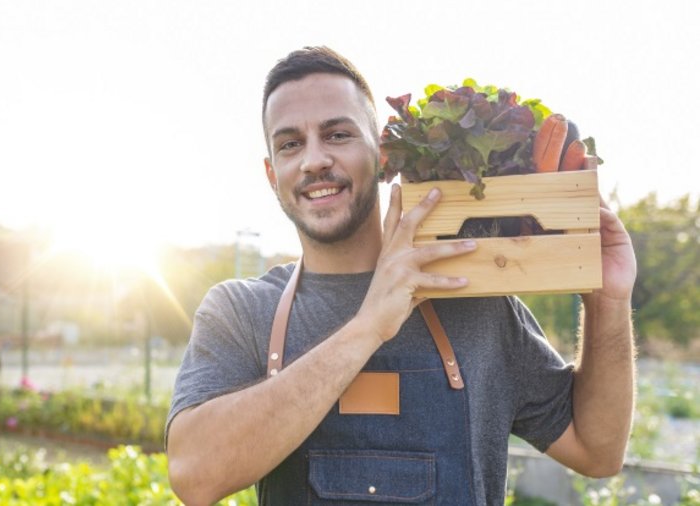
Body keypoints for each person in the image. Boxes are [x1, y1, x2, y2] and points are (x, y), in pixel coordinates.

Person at [166, 46, 637, 506]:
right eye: (291, 144)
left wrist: (608, 303)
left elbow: (597, 450)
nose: (313, 160)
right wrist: (369, 325)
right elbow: (194, 476)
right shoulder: (241, 311)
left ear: (383, 155)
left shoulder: (474, 298)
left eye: (337, 135)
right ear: (273, 173)